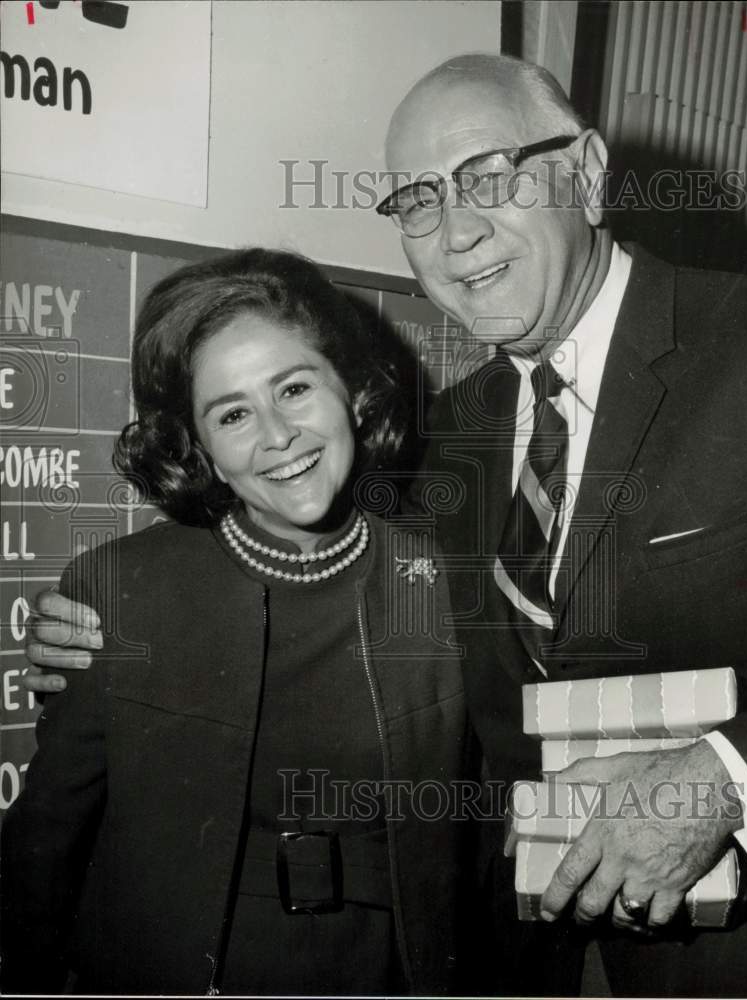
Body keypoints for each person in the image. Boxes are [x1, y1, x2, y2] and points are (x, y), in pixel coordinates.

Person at [23, 55, 747, 998]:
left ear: (588, 171)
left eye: (488, 175)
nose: (458, 230)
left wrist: (727, 782)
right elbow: (292, 544)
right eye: (418, 201)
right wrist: (96, 624)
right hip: (524, 966)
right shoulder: (444, 444)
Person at [2, 248, 469, 995]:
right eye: (233, 413)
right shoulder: (120, 590)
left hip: (387, 975)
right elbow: (48, 839)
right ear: (202, 450)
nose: (277, 435)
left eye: (293, 388)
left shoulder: (444, 581)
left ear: (351, 393)